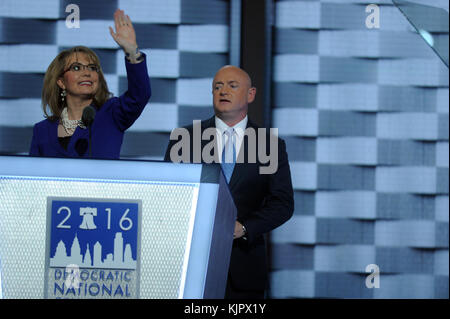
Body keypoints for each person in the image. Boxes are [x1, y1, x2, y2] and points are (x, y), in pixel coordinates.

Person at [164, 65, 294, 298]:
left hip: (245, 267)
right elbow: (168, 196)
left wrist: (243, 228)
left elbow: (282, 203)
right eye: (217, 86)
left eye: (232, 86)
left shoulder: (270, 145)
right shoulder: (184, 139)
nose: (224, 91)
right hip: (192, 266)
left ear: (251, 94)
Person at [29, 9, 150, 159]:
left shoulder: (112, 114)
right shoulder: (41, 130)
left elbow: (140, 94)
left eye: (92, 68)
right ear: (61, 82)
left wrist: (132, 51)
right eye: (76, 67)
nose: (87, 73)